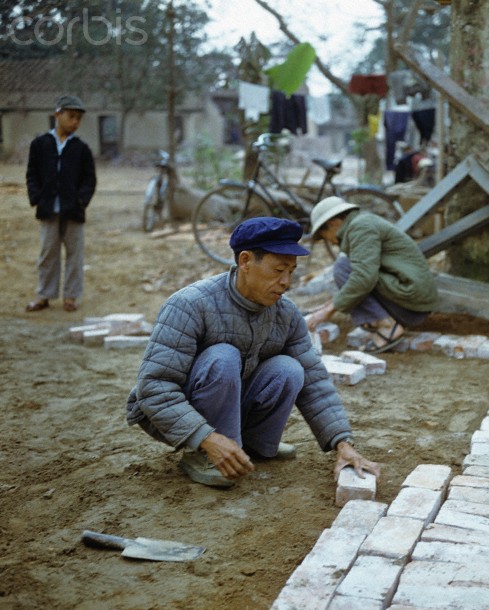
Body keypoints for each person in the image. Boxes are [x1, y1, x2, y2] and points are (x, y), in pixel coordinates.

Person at [126, 217, 381, 488]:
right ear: (245, 261)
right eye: (278, 270)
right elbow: (154, 387)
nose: (286, 282)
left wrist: (342, 443)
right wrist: (206, 437)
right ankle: (204, 453)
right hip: (181, 415)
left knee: (290, 368)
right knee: (223, 357)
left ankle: (253, 445)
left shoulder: (286, 313)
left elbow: (314, 379)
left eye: (291, 272)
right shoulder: (190, 305)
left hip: (233, 404)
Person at [305, 196, 439, 353]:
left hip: (412, 303)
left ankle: (387, 327)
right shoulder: (361, 224)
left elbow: (364, 278)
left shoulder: (361, 227)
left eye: (323, 235)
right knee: (347, 268)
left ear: (333, 223)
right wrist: (329, 305)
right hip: (412, 300)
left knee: (343, 268)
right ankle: (385, 323)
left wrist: (327, 312)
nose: (328, 241)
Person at [25, 95, 97, 313]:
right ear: (57, 115)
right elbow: (32, 175)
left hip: (73, 210)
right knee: (48, 253)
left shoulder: (81, 148)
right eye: (71, 116)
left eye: (78, 119)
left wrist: (81, 200)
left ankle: (71, 297)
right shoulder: (40, 144)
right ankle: (44, 294)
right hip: (48, 209)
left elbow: (89, 179)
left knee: (75, 255)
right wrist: (36, 196)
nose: (75, 122)